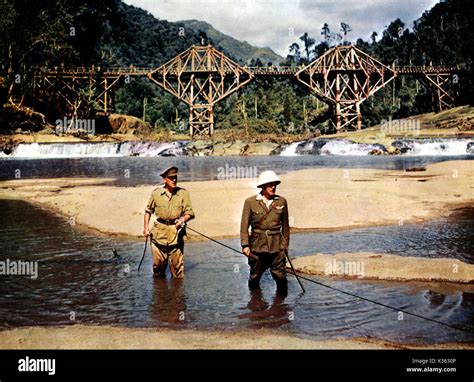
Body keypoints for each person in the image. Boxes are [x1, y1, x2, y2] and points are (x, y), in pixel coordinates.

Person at [240, 170, 289, 294]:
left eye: (275, 184)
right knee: (255, 276)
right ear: (262, 186)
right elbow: (244, 226)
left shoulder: (281, 202)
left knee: (280, 276)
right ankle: (255, 303)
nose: (273, 187)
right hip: (257, 246)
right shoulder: (250, 202)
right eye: (270, 184)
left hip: (277, 245)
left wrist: (285, 245)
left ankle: (280, 306)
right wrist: (245, 245)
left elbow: (286, 227)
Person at [143, 166, 194, 278]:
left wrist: (182, 219)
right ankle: (160, 293)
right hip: (158, 235)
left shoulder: (183, 193)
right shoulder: (156, 193)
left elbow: (189, 213)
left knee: (177, 271)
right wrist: (146, 228)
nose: (174, 180)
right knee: (158, 268)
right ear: (164, 179)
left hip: (176, 235)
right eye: (171, 178)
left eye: (175, 177)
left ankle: (177, 295)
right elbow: (148, 211)